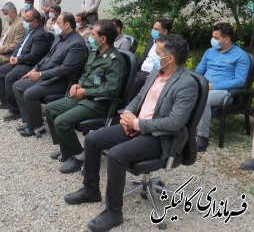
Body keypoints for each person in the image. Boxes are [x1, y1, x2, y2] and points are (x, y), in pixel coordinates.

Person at [63, 34, 198, 232]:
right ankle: (91, 190)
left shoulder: (186, 84)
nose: (152, 56)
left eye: (157, 53)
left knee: (116, 155)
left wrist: (138, 123)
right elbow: (139, 97)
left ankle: (113, 212)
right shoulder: (156, 72)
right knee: (92, 139)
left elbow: (175, 123)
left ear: (170, 59)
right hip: (136, 125)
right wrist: (127, 114)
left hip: (159, 137)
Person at [45, 20, 126, 173]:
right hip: (83, 96)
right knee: (49, 109)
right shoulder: (95, 52)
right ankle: (66, 149)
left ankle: (79, 155)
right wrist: (78, 85)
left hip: (97, 103)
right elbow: (86, 74)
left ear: (103, 39)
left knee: (61, 122)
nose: (89, 36)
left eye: (93, 34)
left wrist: (86, 92)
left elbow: (112, 90)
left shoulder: (115, 60)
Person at [12, 12, 88, 137]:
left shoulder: (77, 44)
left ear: (67, 25)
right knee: (17, 86)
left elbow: (65, 70)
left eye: (58, 23)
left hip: (61, 81)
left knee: (30, 93)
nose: (55, 25)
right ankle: (30, 121)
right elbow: (47, 56)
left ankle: (36, 126)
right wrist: (35, 69)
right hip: (47, 74)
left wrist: (41, 74)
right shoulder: (60, 37)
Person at [195, 22, 251, 152]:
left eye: (216, 38)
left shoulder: (241, 56)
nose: (212, 40)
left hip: (224, 92)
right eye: (212, 37)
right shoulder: (209, 52)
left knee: (204, 99)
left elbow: (240, 81)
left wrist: (213, 86)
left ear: (226, 39)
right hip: (204, 86)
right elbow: (199, 70)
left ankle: (203, 137)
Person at [0, 9, 52, 120]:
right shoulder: (28, 30)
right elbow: (19, 46)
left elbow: (34, 56)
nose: (23, 21)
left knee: (10, 78)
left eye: (26, 19)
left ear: (35, 22)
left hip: (29, 65)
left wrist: (18, 60)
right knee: (0, 72)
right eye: (24, 18)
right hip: (18, 60)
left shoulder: (40, 35)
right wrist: (13, 56)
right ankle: (6, 101)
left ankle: (15, 110)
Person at [130, 18, 172, 99]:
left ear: (165, 31)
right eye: (153, 28)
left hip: (152, 74)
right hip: (141, 71)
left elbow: (166, 65)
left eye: (156, 29)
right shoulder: (150, 41)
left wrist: (154, 75)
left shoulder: (168, 46)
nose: (153, 30)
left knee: (135, 82)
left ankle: (128, 108)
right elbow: (144, 57)